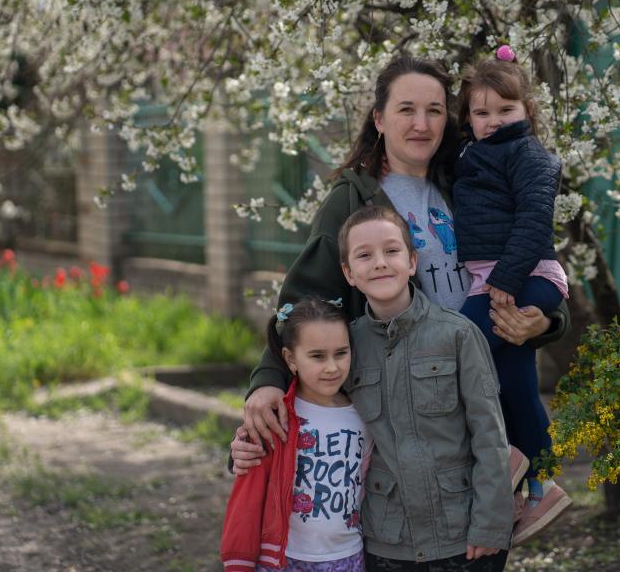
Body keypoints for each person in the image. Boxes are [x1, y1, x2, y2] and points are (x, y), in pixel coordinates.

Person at [232, 55, 571, 455]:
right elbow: (306, 301)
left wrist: (546, 323)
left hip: (485, 408)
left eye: (434, 111)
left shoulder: (470, 181)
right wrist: (269, 378)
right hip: (412, 414)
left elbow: (530, 250)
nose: (421, 124)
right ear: (379, 119)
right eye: (406, 110)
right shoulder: (355, 199)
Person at [338, 205, 512, 570]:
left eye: (392, 250)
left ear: (413, 261)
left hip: (461, 533)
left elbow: (489, 436)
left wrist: (491, 525)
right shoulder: (346, 348)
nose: (380, 263)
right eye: (365, 255)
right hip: (388, 540)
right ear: (349, 273)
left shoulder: (457, 335)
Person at [453, 47, 572, 544]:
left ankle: (505, 461)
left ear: (528, 111)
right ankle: (537, 480)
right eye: (481, 113)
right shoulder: (469, 153)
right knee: (516, 379)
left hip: (527, 275)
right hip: (498, 276)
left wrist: (503, 280)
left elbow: (532, 221)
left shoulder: (529, 155)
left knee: (458, 345)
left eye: (505, 110)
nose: (493, 121)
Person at [220, 296, 371, 572]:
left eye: (341, 353)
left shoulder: (365, 415)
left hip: (349, 557)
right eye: (317, 356)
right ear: (290, 359)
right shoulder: (275, 417)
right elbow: (247, 497)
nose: (332, 367)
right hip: (282, 560)